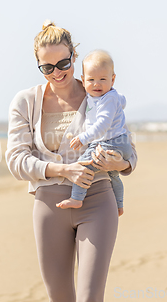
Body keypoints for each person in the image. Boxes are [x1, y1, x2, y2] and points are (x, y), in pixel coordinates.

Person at [5, 20, 137, 302]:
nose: (57, 72)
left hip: (98, 200)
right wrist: (62, 169)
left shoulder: (100, 93)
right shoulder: (25, 102)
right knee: (60, 297)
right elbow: (16, 160)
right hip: (48, 206)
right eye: (47, 67)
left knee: (91, 297)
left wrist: (119, 164)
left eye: (63, 63)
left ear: (74, 56)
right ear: (39, 66)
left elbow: (130, 152)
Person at [56, 50, 133, 215]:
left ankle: (76, 198)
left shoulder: (107, 98)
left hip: (111, 142)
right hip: (120, 143)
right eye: (91, 80)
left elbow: (102, 125)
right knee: (113, 176)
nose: (96, 84)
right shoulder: (108, 97)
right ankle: (119, 205)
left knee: (84, 165)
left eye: (102, 79)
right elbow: (122, 100)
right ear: (83, 81)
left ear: (112, 79)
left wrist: (83, 138)